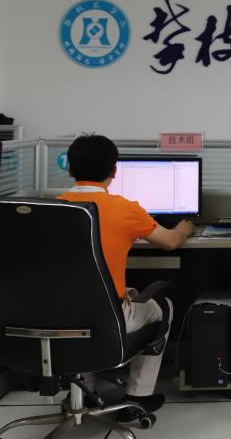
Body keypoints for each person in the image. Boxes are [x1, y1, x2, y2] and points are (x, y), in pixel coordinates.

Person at [58, 135, 195, 420]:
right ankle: (137, 396)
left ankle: (83, 391)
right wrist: (185, 228)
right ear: (114, 170)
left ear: (69, 169)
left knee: (78, 303)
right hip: (106, 316)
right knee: (162, 306)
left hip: (52, 316)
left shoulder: (47, 210)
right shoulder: (124, 208)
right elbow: (170, 242)